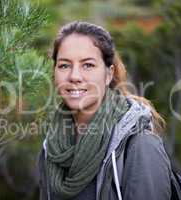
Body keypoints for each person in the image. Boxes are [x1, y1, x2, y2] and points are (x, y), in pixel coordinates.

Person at [37, 21, 172, 200]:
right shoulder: (52, 146)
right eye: (64, 65)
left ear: (108, 74)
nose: (74, 76)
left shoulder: (139, 144)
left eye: (88, 65)